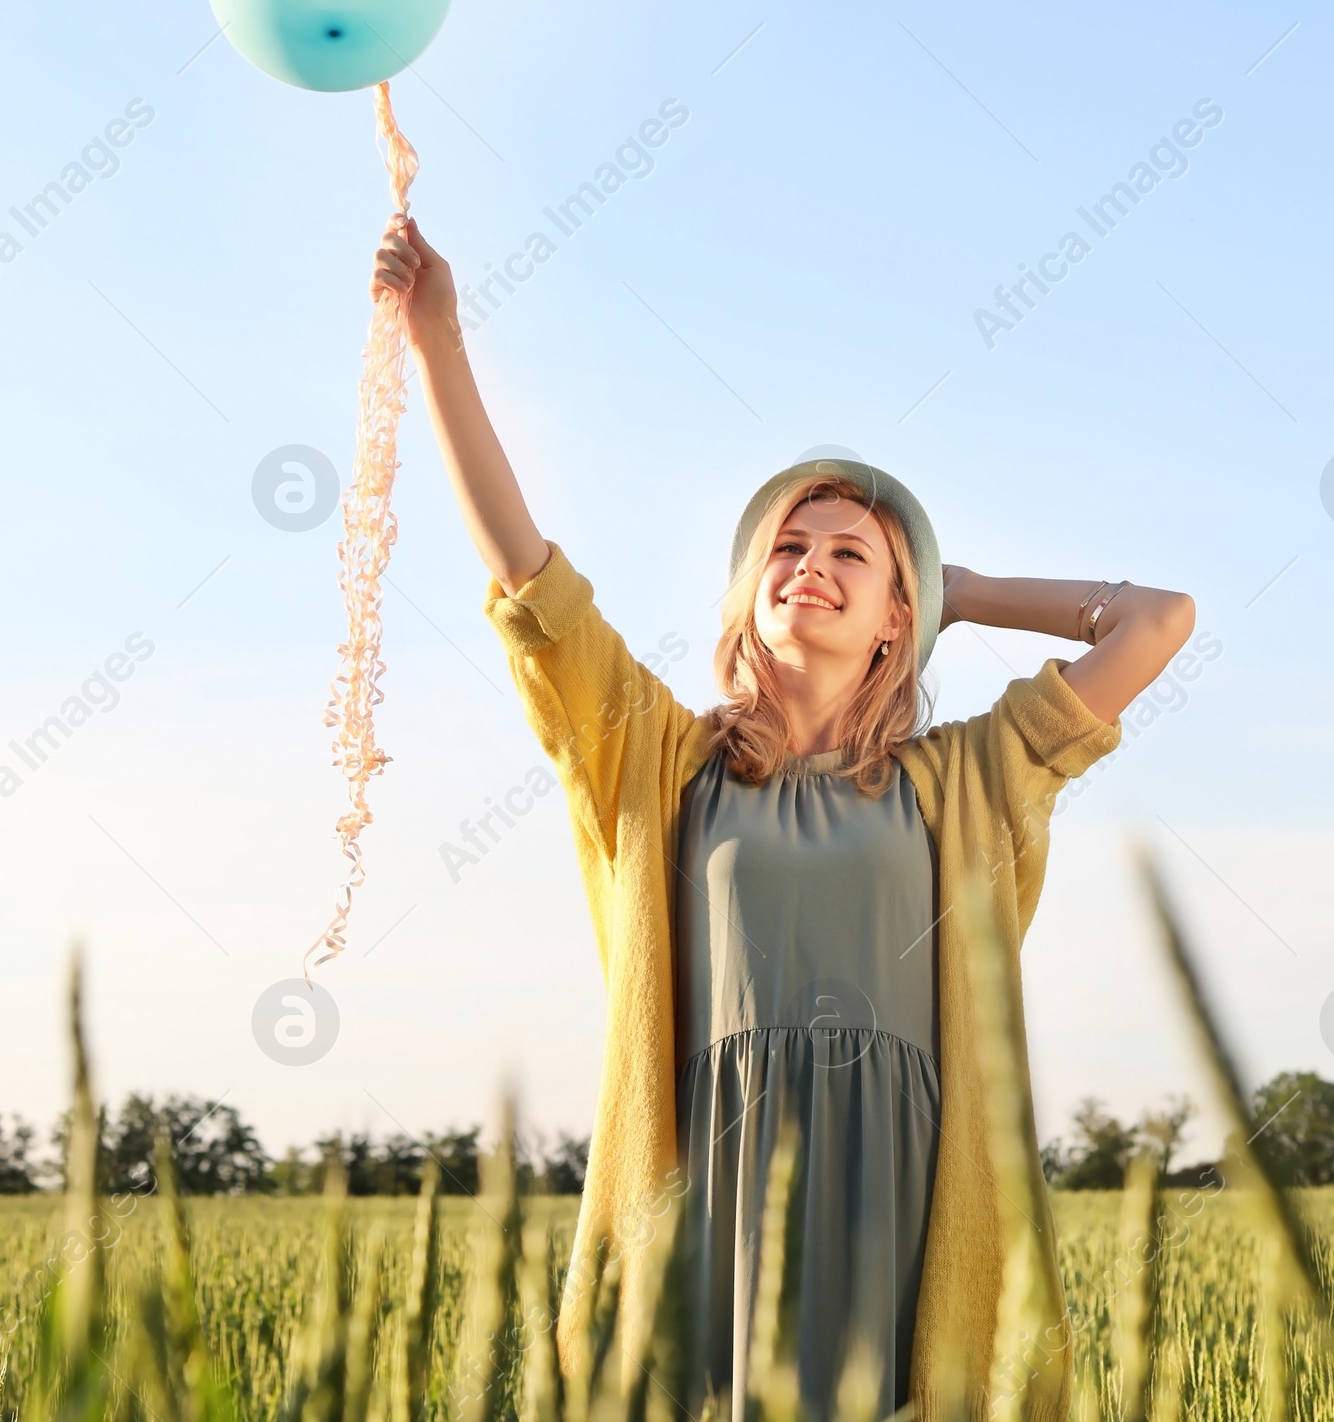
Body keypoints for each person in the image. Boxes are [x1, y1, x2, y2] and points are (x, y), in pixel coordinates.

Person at [372, 215, 1195, 1422]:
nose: (808, 561)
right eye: (786, 546)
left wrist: (957, 586)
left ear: (893, 625)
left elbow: (1158, 620)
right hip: (710, 1179)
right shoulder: (654, 757)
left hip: (905, 1200)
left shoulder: (964, 778)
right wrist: (437, 340)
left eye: (851, 555)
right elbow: (529, 583)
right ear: (745, 601)